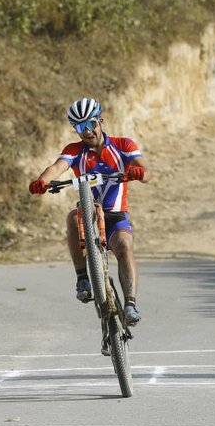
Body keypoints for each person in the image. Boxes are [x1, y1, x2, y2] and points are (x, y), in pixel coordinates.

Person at [29, 97, 148, 326]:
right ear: (75, 129)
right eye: (80, 127)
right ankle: (83, 278)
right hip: (90, 214)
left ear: (100, 121)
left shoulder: (123, 146)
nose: (88, 131)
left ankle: (131, 303)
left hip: (115, 215)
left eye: (91, 124)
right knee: (73, 217)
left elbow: (144, 167)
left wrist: (139, 172)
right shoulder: (75, 151)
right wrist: (42, 182)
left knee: (124, 245)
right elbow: (56, 168)